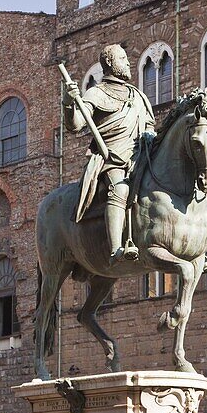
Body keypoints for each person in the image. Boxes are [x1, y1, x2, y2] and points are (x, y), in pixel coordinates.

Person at [63, 43, 155, 266]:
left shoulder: (138, 96)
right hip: (113, 159)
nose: (128, 62)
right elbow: (76, 125)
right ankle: (116, 249)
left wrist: (150, 138)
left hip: (140, 156)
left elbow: (150, 124)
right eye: (123, 59)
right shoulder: (97, 93)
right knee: (120, 188)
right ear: (111, 64)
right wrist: (68, 103)